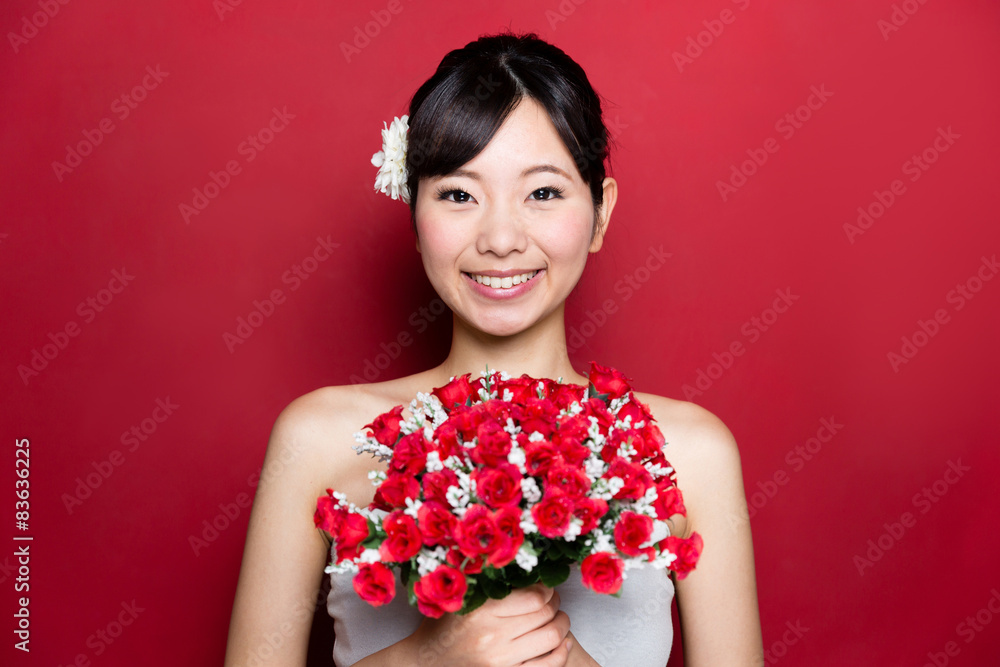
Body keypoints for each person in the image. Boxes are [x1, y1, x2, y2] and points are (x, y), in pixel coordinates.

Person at [225, 31, 763, 666]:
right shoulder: (317, 439)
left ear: (600, 214)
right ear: (413, 215)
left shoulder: (691, 453)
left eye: (543, 193)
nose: (501, 238)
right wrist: (425, 659)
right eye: (458, 194)